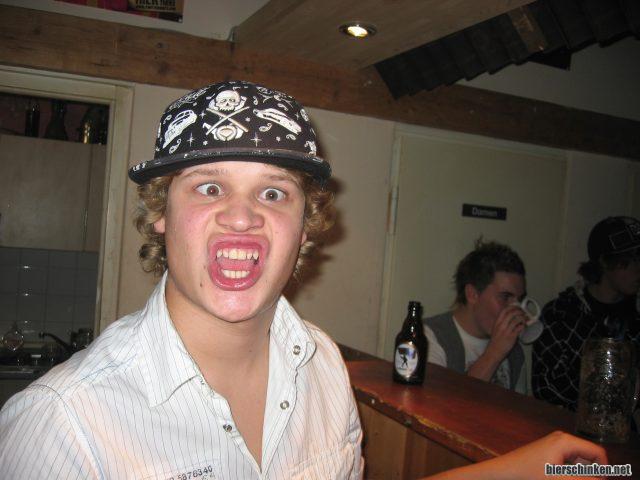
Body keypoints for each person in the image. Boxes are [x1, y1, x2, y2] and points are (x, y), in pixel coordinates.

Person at [0, 81, 606, 479]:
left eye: (273, 193)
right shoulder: (62, 424)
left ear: (305, 228)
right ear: (161, 214)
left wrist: (529, 466)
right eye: (209, 187)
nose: (242, 216)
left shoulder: (322, 364)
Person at [533, 216, 640, 411]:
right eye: (630, 261)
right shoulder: (561, 315)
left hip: (620, 426)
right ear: (605, 262)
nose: (637, 269)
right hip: (566, 424)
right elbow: (547, 390)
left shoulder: (635, 320)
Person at [423, 240, 528, 393]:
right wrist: (494, 353)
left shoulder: (514, 351)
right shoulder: (431, 336)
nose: (516, 309)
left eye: (520, 300)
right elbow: (438, 403)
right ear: (472, 294)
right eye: (505, 297)